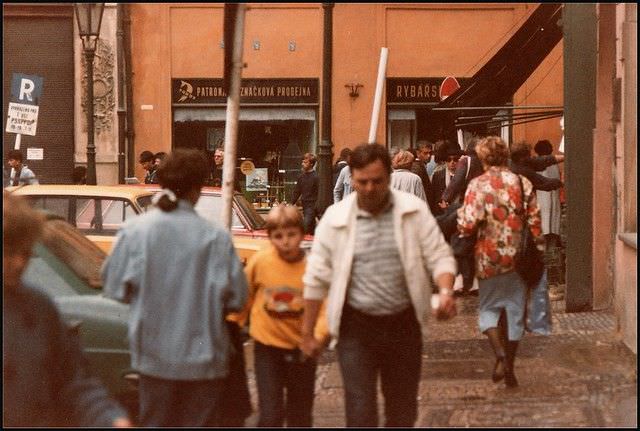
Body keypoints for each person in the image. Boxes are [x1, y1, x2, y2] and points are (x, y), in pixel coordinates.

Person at [300, 143, 457, 427]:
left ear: (390, 176)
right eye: (362, 182)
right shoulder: (335, 220)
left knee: (402, 407)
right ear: (351, 179)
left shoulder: (413, 212)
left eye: (377, 181)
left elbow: (439, 256)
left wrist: (445, 291)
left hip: (403, 324)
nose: (370, 188)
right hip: (355, 327)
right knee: (360, 409)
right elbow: (316, 278)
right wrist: (308, 332)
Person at [102, 149, 248, 427]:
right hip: (204, 362)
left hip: (154, 359)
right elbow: (238, 298)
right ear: (197, 189)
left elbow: (114, 288)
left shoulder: (135, 232)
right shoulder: (215, 237)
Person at [3, 191, 131, 427]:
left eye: (25, 252)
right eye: (9, 252)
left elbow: (76, 381)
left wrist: (111, 419)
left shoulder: (39, 307)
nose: (20, 262)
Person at [456, 136, 543, 388]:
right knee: (515, 312)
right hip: (518, 257)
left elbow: (468, 223)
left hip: (488, 256)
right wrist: (537, 249)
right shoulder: (521, 182)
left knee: (489, 308)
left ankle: (500, 355)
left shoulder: (477, 185)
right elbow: (535, 221)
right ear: (505, 155)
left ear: (483, 158)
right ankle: (510, 367)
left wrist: (461, 223)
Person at [237, 205, 328, 427]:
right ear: (269, 238)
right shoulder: (261, 262)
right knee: (270, 413)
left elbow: (325, 307)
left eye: (291, 235)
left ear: (301, 233)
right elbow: (244, 296)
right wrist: (234, 323)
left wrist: (318, 336)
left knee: (300, 413)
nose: (285, 241)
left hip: (302, 348)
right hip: (267, 347)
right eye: (278, 236)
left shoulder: (312, 267)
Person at [533, 139, 562, 248]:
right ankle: (552, 249)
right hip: (554, 197)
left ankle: (545, 249)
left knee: (544, 223)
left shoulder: (538, 164)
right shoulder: (554, 165)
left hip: (542, 198)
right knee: (553, 224)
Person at [291, 153, 319, 235]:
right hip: (305, 205)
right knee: (310, 228)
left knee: (305, 227)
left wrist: (316, 206)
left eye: (305, 162)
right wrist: (291, 203)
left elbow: (319, 192)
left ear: (311, 164)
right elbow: (297, 191)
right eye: (302, 162)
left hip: (312, 206)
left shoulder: (316, 177)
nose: (302, 164)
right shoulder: (301, 177)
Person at [432, 141, 463, 216]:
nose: (452, 162)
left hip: (459, 212)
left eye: (455, 159)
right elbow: (434, 196)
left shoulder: (464, 175)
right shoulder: (437, 175)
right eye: (449, 159)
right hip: (442, 213)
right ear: (445, 161)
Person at [410, 140, 437, 214]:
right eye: (425, 153)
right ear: (418, 153)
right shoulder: (416, 167)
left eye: (430, 153)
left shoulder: (421, 165)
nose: (429, 156)